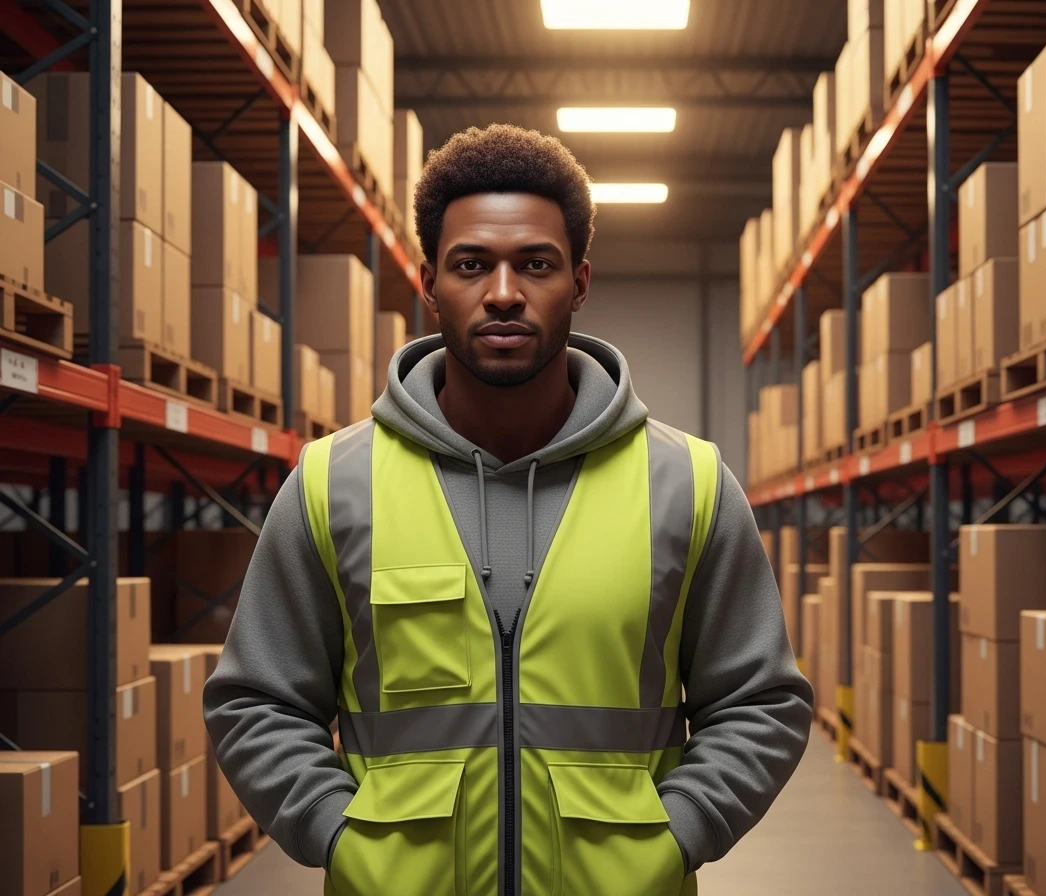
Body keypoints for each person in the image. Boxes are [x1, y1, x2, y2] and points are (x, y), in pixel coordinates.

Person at [204, 123, 813, 896]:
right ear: (429, 282)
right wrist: (338, 834)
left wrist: (678, 833)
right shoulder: (333, 484)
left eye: (535, 264)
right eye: (471, 265)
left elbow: (761, 700)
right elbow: (255, 699)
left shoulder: (687, 484)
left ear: (580, 282)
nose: (502, 292)